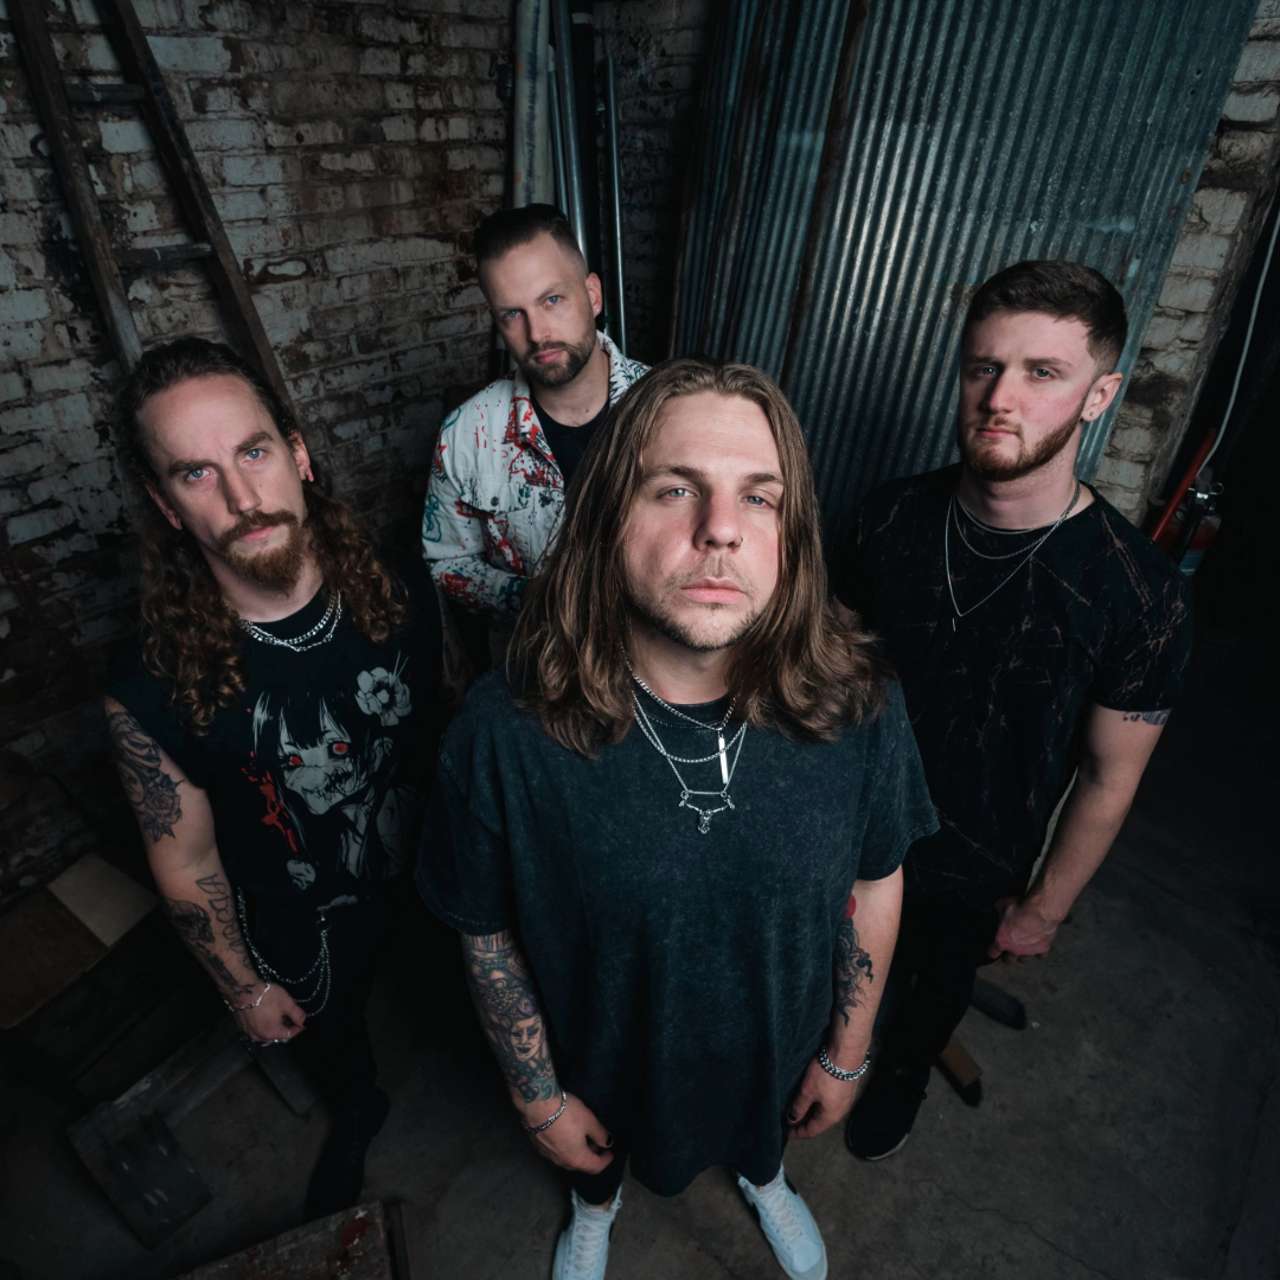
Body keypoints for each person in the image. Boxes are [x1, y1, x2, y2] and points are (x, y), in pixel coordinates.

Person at [419, 359, 937, 1279]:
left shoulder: (861, 703)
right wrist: (538, 1097)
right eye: (674, 489)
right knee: (594, 1156)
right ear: (608, 516)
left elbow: (876, 874)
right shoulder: (503, 733)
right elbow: (485, 930)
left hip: (777, 1052)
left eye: (760, 498)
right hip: (599, 1062)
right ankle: (595, 1206)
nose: (721, 529)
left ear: (792, 536)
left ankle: (763, 1176)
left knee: (765, 1131)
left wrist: (848, 1052)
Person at [836, 261, 1193, 1161]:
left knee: (925, 1001)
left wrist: (1046, 908)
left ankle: (904, 1074)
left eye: (1043, 373)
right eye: (983, 368)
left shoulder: (1138, 591)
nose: (1000, 398)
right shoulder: (887, 517)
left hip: (975, 866)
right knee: (815, 994)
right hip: (841, 829)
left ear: (1099, 395)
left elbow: (1110, 775)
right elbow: (821, 675)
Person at [104, 337, 442, 1217]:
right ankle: (358, 1111)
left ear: (298, 455)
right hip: (299, 921)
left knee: (450, 1004)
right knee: (336, 1044)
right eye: (196, 473)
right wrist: (243, 987)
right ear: (166, 505)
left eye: (253, 453)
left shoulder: (401, 584)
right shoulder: (148, 687)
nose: (241, 498)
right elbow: (185, 861)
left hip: (430, 869)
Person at [421, 203, 647, 633]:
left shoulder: (669, 408)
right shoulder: (465, 433)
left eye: (552, 300)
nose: (537, 334)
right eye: (512, 314)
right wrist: (538, 600)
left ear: (593, 296)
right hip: (536, 661)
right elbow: (447, 562)